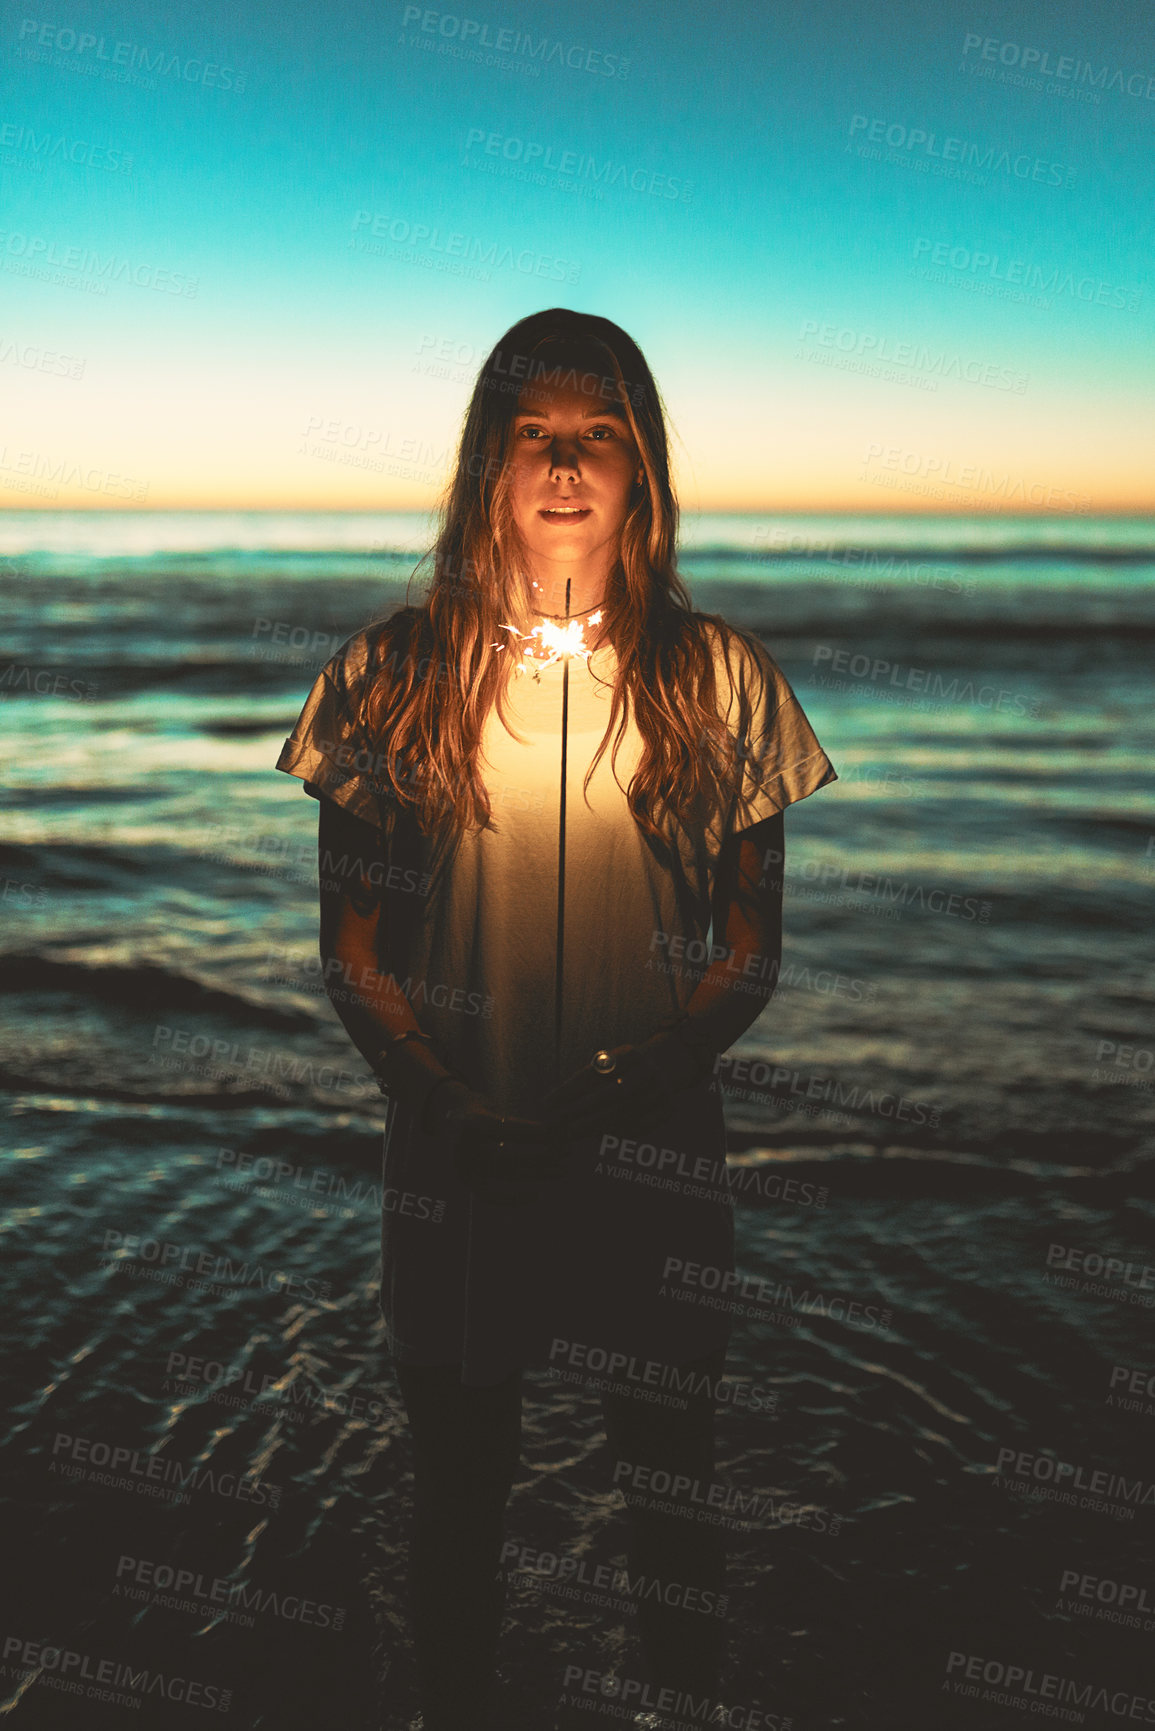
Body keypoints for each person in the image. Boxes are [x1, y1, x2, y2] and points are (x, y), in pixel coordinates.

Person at [275, 308, 837, 1731]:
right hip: (456, 1154)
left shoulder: (720, 681)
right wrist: (437, 1096)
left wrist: (655, 1071)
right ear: (488, 463)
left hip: (652, 1151)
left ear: (644, 467)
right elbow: (353, 948)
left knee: (671, 1484)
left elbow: (751, 949)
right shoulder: (390, 676)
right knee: (460, 1485)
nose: (569, 462)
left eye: (602, 435)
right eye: (537, 433)